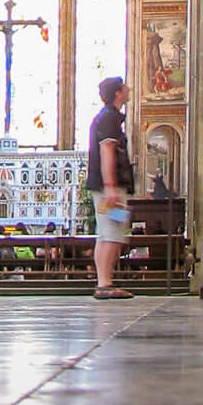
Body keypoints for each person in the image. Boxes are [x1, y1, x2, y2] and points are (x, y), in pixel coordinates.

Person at [87, 73, 135, 299]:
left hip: (107, 187)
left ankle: (104, 281)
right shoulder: (109, 118)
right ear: (117, 93)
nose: (128, 89)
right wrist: (111, 187)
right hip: (109, 188)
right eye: (124, 87)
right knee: (112, 232)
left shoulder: (109, 117)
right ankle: (105, 284)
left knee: (110, 231)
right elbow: (107, 151)